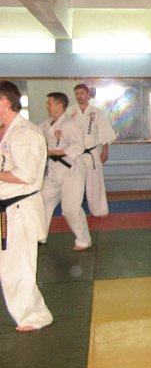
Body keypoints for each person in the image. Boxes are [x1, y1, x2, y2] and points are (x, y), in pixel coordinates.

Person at [0, 80, 53, 332]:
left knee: (17, 266)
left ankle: (35, 315)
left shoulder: (26, 134)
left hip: (19, 210)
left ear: (4, 102)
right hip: (7, 209)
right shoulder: (6, 132)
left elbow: (26, 175)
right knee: (9, 265)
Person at [40, 92, 92, 251]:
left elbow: (79, 146)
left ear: (59, 105)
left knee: (70, 209)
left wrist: (55, 152)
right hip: (53, 171)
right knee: (41, 201)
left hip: (72, 170)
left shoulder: (70, 124)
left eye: (49, 103)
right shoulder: (45, 124)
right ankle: (40, 235)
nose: (46, 106)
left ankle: (83, 239)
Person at [67, 83, 117, 217]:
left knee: (95, 184)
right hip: (74, 154)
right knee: (73, 184)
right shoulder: (70, 112)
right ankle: (71, 211)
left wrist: (105, 151)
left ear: (88, 95)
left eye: (82, 93)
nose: (79, 96)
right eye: (77, 93)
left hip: (92, 153)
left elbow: (104, 132)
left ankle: (99, 211)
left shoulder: (97, 112)